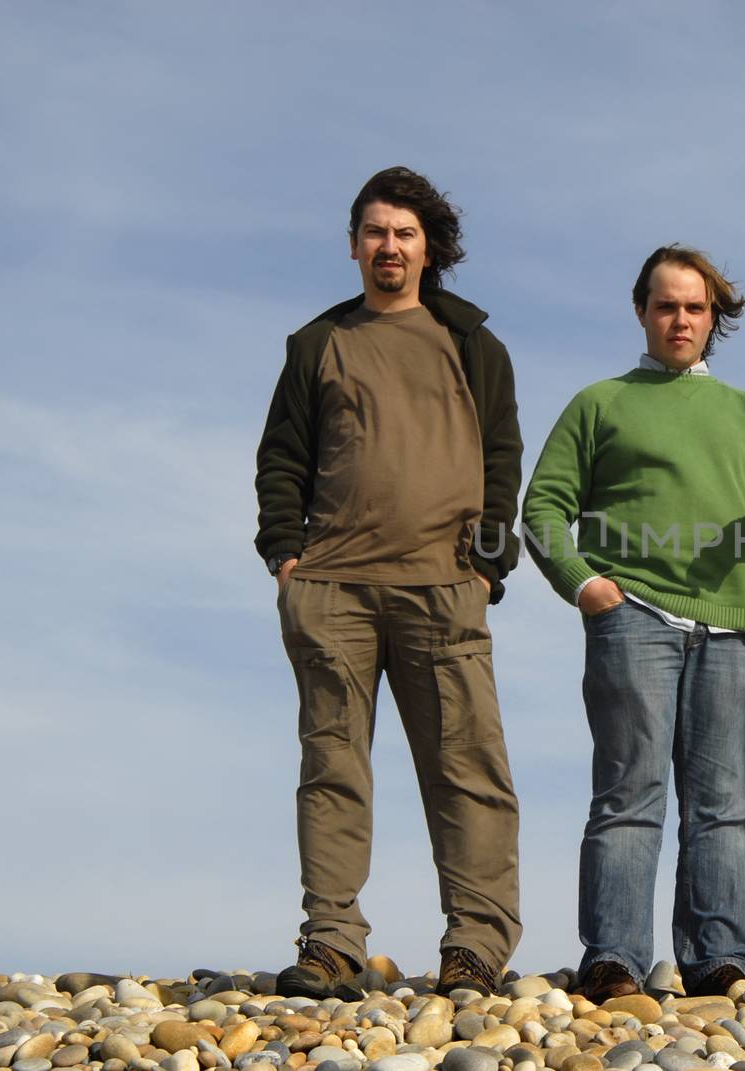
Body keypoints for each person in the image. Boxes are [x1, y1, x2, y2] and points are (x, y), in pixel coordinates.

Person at [522, 245, 745, 1003]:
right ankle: (614, 958)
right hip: (634, 620)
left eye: (696, 307)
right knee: (630, 791)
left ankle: (716, 958)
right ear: (642, 312)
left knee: (728, 802)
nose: (681, 319)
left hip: (732, 627)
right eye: (667, 306)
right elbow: (542, 509)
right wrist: (585, 584)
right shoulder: (601, 402)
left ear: (713, 317)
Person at [254, 166, 523, 999]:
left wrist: (484, 564)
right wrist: (286, 557)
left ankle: (475, 942)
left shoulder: (473, 344)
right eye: (375, 232)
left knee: (465, 766)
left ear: (428, 247)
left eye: (404, 233)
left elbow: (502, 460)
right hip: (333, 589)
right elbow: (282, 460)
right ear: (353, 245)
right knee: (332, 765)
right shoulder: (318, 343)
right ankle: (332, 938)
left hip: (442, 588)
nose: (389, 246)